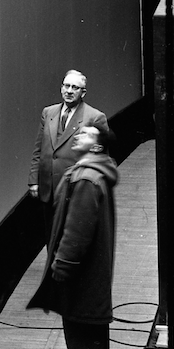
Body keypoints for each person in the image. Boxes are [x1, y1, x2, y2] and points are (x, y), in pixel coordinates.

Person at [28, 122, 119, 349]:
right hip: (91, 263)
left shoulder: (85, 179)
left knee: (80, 318)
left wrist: (63, 263)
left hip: (81, 265)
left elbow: (77, 228)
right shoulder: (94, 173)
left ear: (97, 147)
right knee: (89, 317)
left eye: (86, 134)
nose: (78, 134)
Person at [27, 70, 110, 244]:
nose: (69, 91)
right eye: (66, 86)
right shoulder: (48, 112)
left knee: (70, 237)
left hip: (75, 187)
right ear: (61, 88)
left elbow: (101, 156)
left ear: (83, 93)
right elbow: (39, 149)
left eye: (75, 87)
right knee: (51, 235)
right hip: (48, 188)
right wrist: (34, 180)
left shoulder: (95, 117)